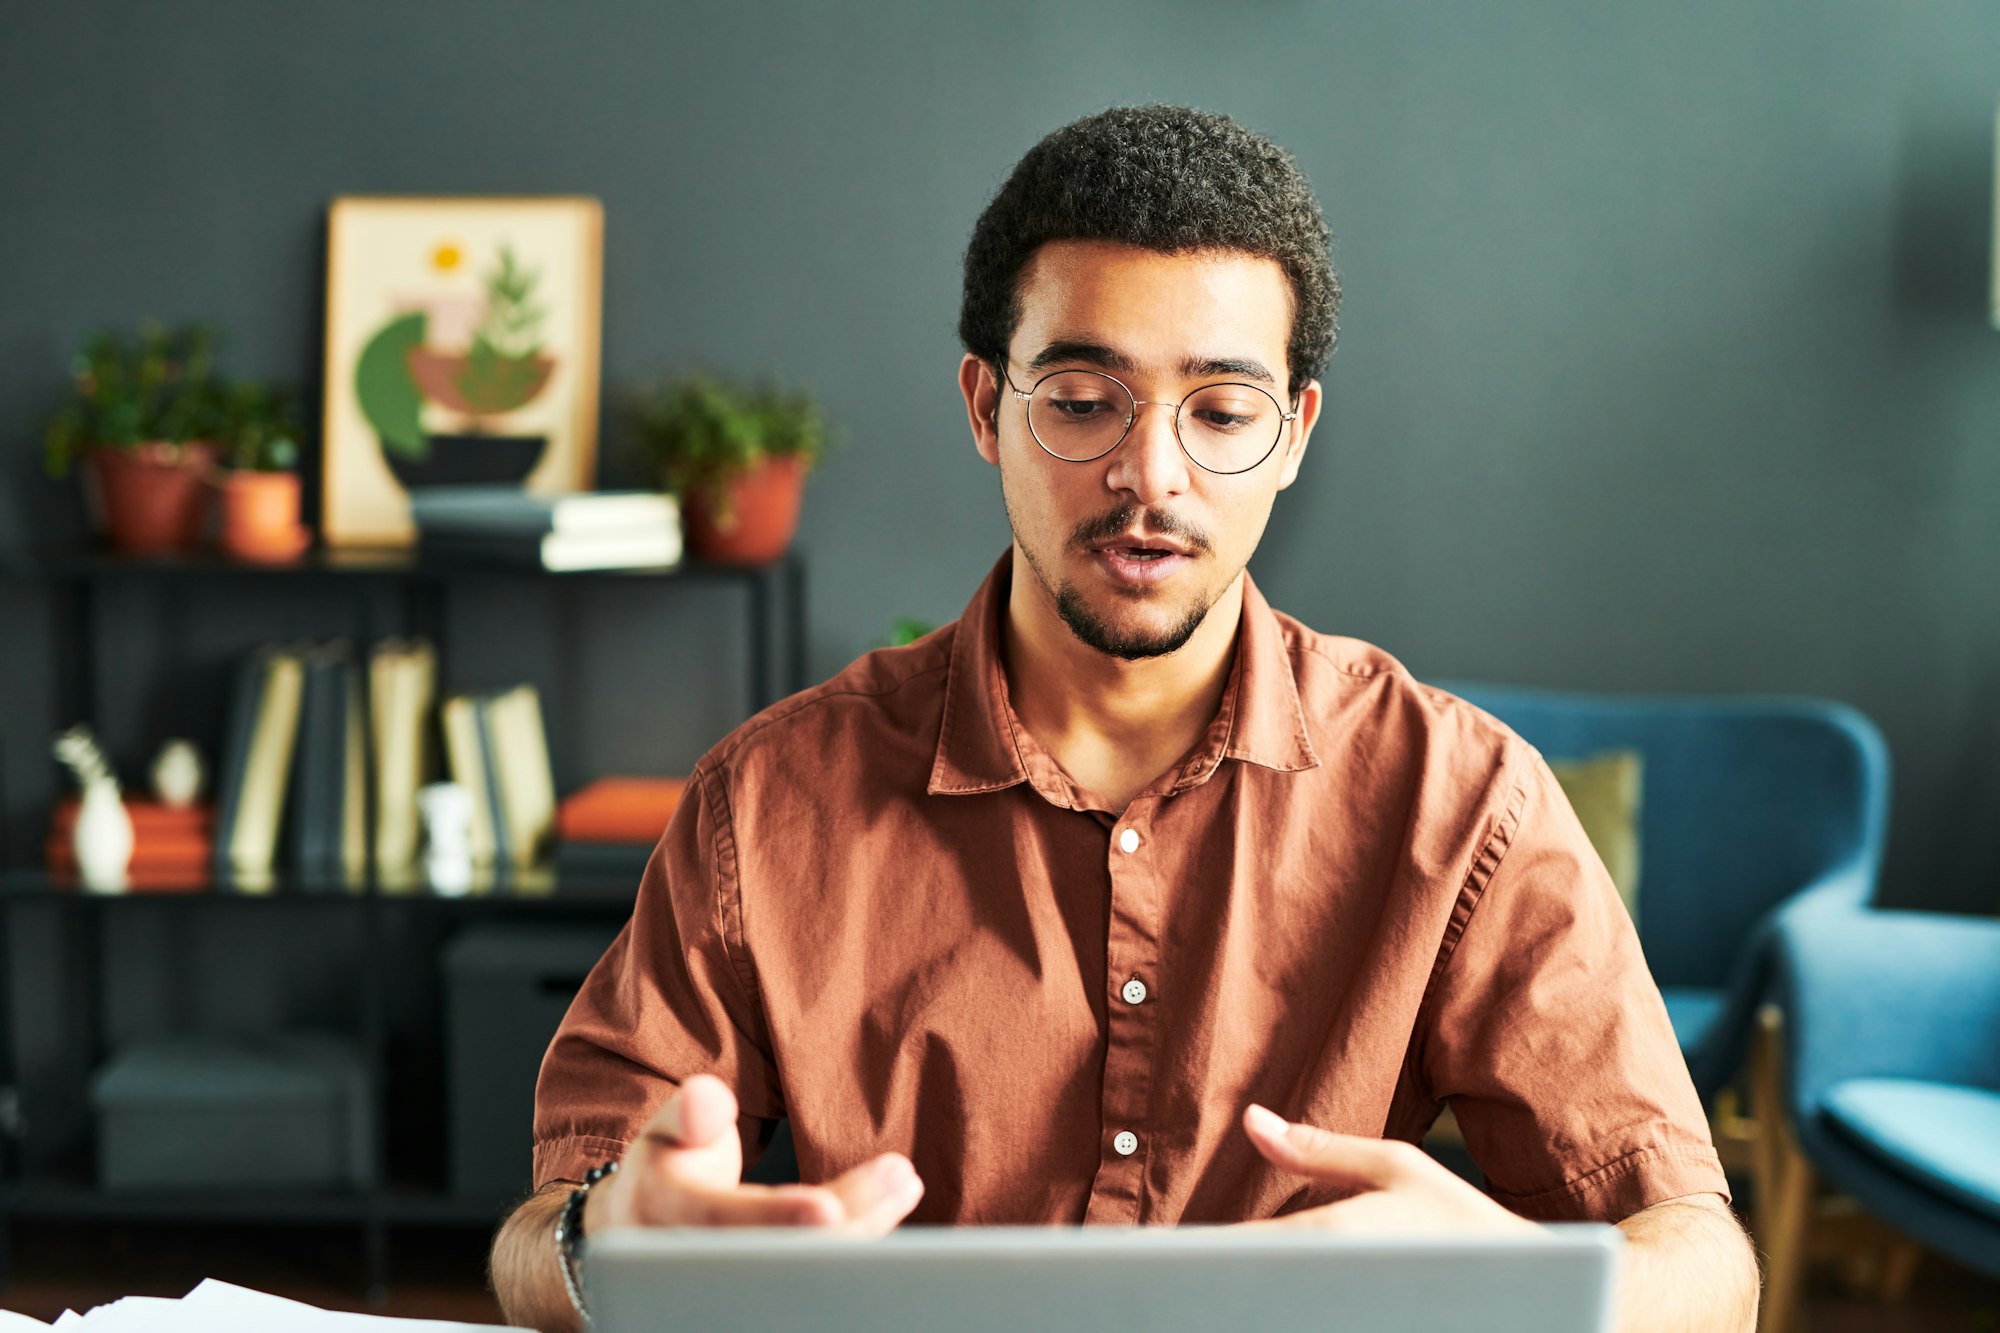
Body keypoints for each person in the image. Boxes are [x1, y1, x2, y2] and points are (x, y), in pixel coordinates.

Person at [491, 105, 1758, 1333]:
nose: (1151, 473)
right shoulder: (768, 800)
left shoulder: (1464, 801)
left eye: (1218, 412)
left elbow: (1707, 1267)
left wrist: (1511, 1291)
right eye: (1084, 400)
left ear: (1293, 434)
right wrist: (609, 1251)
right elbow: (536, 1240)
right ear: (986, 408)